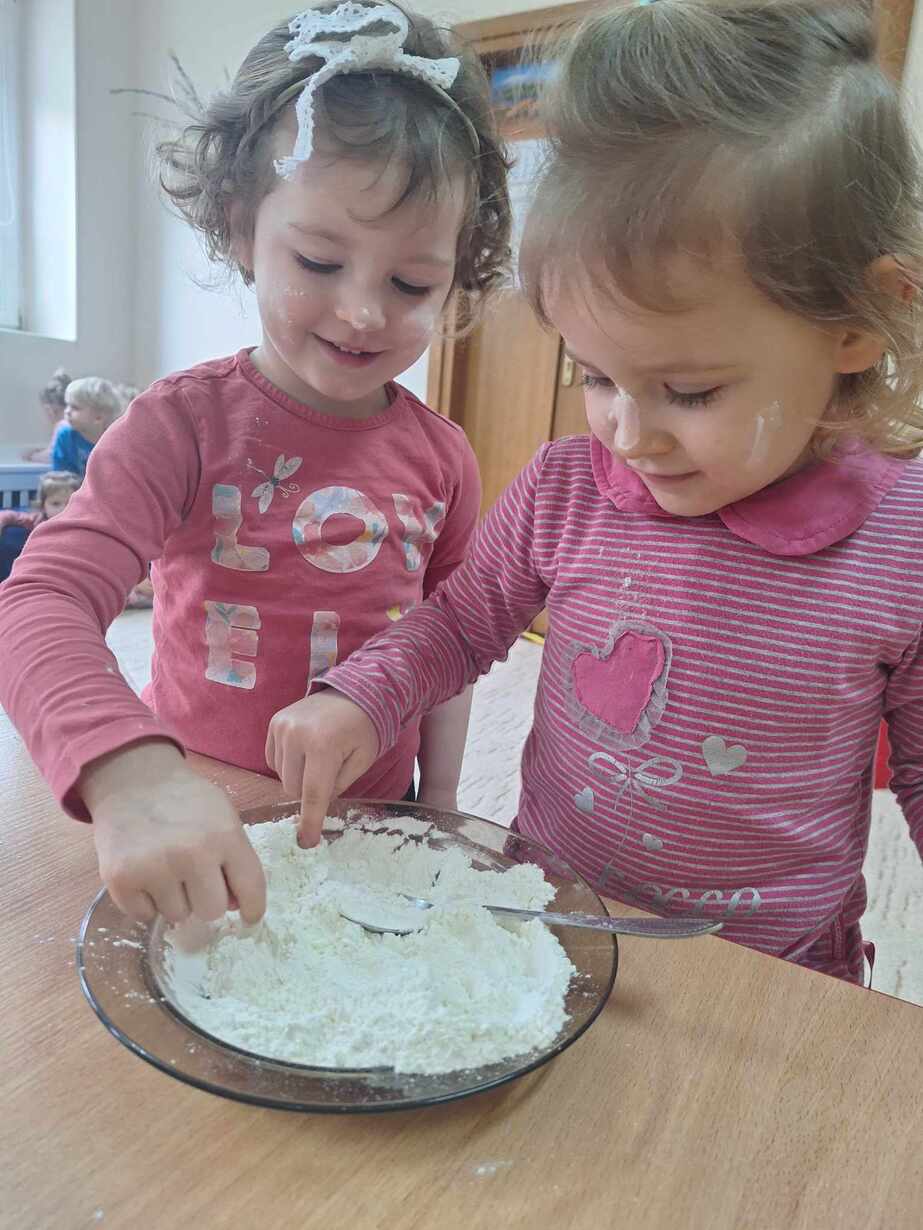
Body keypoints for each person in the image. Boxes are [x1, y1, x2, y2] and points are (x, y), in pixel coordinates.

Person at [282, 0, 923, 985]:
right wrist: (362, 700)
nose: (628, 432)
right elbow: (457, 625)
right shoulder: (566, 488)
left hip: (774, 970)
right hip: (550, 922)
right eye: (595, 375)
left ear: (856, 323)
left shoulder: (900, 541)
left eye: (689, 391)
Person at [0, 2, 510, 927]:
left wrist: (437, 808)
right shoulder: (179, 425)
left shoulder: (444, 456)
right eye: (317, 261)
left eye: (411, 283)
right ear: (240, 227)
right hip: (191, 815)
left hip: (366, 821)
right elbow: (36, 601)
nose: (363, 313)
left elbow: (451, 643)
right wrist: (128, 771)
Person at [0, 472, 82, 582]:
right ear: (43, 506)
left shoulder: (81, 524)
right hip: (37, 569)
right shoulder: (38, 520)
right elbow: (9, 515)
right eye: (55, 504)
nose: (63, 509)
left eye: (69, 503)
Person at [51, 377, 123, 477]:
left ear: (98, 417)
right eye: (67, 405)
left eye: (75, 407)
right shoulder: (65, 436)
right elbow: (60, 478)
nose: (67, 411)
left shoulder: (116, 440)